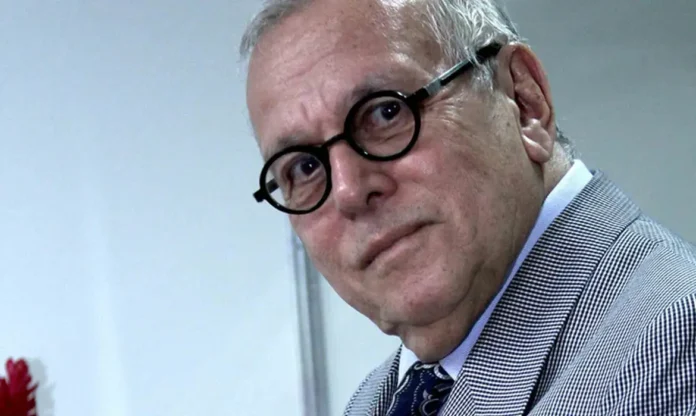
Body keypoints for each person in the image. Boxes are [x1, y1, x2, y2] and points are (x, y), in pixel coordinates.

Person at [240, 0, 696, 414]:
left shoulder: (673, 341)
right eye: (303, 167)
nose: (348, 191)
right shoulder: (374, 400)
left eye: (385, 113)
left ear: (525, 102)